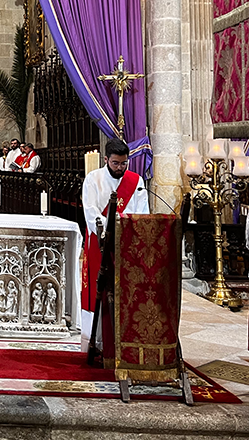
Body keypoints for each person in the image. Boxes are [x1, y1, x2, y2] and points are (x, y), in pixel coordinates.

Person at [79, 138, 149, 349]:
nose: (120, 168)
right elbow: (90, 210)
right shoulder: (93, 179)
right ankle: (97, 339)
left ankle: (125, 337)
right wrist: (106, 230)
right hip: (99, 241)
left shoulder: (136, 182)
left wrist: (128, 230)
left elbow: (141, 213)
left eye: (124, 164)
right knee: (99, 288)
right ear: (106, 159)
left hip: (127, 243)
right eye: (116, 163)